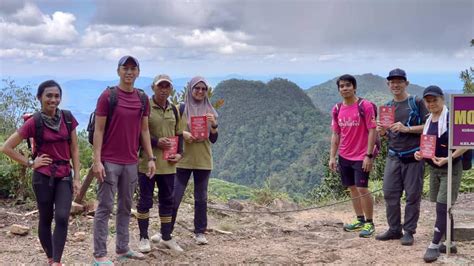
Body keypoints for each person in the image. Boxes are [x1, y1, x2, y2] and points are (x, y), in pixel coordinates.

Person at [0, 80, 80, 265]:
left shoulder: (67, 118)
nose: (53, 99)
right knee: (46, 217)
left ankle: (57, 261)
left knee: (61, 216)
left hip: (64, 174)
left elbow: (74, 149)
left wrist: (77, 176)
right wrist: (30, 163)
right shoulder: (34, 122)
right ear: (40, 98)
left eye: (57, 96)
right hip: (43, 176)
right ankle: (51, 258)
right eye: (49, 96)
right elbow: (7, 147)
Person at [92, 56, 156, 265]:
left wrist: (150, 158)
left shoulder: (142, 99)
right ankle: (100, 255)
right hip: (109, 160)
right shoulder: (107, 96)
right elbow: (99, 130)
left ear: (138, 72)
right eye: (125, 68)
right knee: (105, 206)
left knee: (126, 206)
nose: (129, 72)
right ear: (118, 71)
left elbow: (144, 130)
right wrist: (97, 160)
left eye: (133, 69)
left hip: (131, 161)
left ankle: (122, 248)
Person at [413, 86, 467, 262]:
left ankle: (434, 245)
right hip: (434, 168)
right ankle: (449, 243)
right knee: (444, 206)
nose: (431, 104)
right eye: (428, 101)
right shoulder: (429, 119)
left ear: (442, 99)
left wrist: (448, 159)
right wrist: (420, 154)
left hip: (450, 169)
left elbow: (466, 142)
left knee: (442, 207)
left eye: (434, 100)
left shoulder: (452, 118)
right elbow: (427, 144)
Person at [375, 68, 429, 245]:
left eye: (399, 81)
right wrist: (382, 132)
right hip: (393, 156)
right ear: (388, 84)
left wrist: (407, 129)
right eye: (392, 82)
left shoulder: (417, 102)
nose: (395, 84)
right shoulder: (388, 107)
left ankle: (409, 232)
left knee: (412, 195)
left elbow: (429, 127)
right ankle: (394, 229)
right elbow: (389, 135)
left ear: (406, 83)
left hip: (413, 156)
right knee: (390, 193)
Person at [136, 74, 184, 253]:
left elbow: (179, 134)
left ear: (171, 89)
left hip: (168, 164)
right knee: (145, 201)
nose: (164, 90)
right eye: (160, 86)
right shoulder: (145, 106)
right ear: (153, 87)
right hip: (147, 163)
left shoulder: (174, 109)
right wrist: (156, 143)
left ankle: (166, 237)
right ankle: (143, 237)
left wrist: (179, 153)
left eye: (167, 86)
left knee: (167, 201)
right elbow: (138, 134)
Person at [171, 76, 218, 245]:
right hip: (182, 160)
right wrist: (183, 134)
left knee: (201, 198)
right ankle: (166, 231)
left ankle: (200, 232)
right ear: (190, 89)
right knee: (174, 197)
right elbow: (170, 131)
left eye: (203, 89)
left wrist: (213, 125)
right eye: (196, 88)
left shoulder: (210, 111)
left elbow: (214, 139)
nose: (200, 92)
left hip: (203, 160)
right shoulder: (180, 109)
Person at [329, 74, 377, 238]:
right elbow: (336, 134)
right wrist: (332, 157)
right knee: (352, 188)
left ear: (354, 87)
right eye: (341, 86)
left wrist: (369, 155)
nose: (344, 88)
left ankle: (370, 223)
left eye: (348, 85)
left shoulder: (365, 106)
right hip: (344, 156)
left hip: (361, 155)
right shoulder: (337, 109)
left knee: (362, 188)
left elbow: (372, 130)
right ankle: (360, 220)